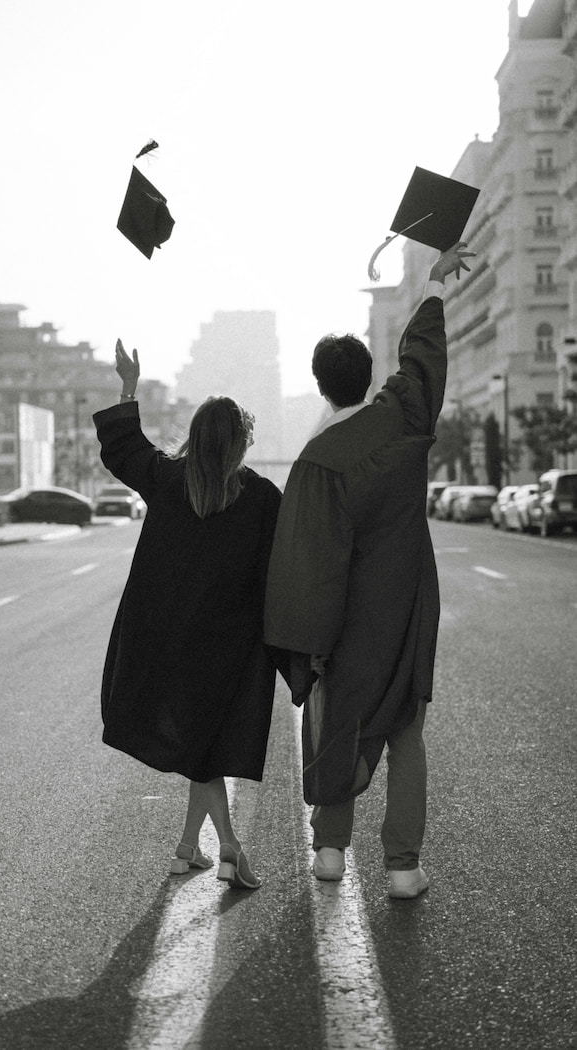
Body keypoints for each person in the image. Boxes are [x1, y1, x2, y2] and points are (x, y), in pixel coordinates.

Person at [264, 241, 475, 897]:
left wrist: (312, 648)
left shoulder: (318, 459)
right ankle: (404, 868)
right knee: (406, 733)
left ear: (322, 384)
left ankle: (330, 852)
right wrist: (435, 286)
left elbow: (310, 563)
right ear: (367, 372)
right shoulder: (403, 422)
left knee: (340, 729)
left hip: (349, 623)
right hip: (408, 608)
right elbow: (421, 362)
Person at [93, 339, 283, 890]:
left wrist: (129, 388)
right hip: (227, 648)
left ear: (196, 438)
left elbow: (123, 449)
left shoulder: (168, 481)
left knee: (205, 748)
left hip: (165, 639)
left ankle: (186, 849)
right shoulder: (263, 498)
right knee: (207, 750)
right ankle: (228, 849)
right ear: (243, 442)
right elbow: (282, 572)